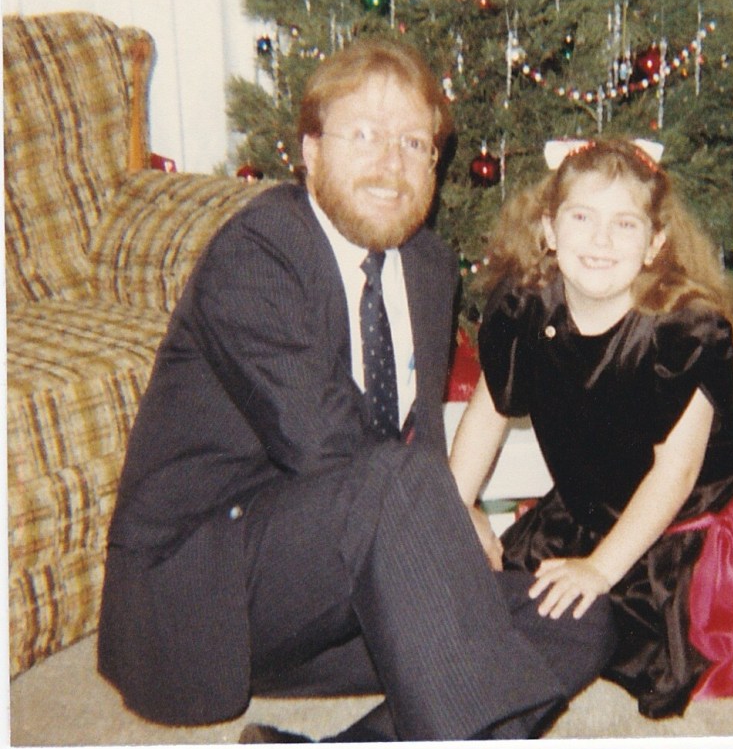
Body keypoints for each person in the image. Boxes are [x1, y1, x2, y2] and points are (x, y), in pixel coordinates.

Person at [97, 38, 615, 742]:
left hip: (339, 592)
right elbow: (329, 447)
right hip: (203, 597)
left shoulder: (428, 266)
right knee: (400, 483)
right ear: (309, 151)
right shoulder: (256, 250)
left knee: (579, 615)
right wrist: (447, 511)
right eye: (364, 135)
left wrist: (444, 522)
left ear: (434, 167)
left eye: (413, 144)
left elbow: (415, 439)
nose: (390, 165)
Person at [449, 137, 733, 721]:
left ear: (655, 244)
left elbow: (678, 473)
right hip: (590, 497)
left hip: (683, 510)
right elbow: (487, 414)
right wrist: (451, 514)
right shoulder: (525, 308)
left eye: (625, 224)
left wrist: (601, 567)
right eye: (582, 218)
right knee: (509, 593)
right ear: (548, 229)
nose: (601, 240)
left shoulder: (682, 333)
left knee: (630, 632)